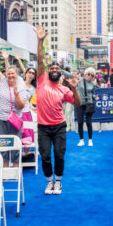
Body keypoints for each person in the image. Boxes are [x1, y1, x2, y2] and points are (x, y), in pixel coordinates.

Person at [34, 25, 81, 195]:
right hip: (43, 127)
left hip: (59, 126)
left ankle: (58, 182)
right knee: (45, 156)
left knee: (59, 155)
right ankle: (49, 182)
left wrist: (74, 89)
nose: (54, 70)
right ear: (48, 72)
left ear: (60, 73)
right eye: (51, 69)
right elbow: (40, 60)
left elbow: (77, 103)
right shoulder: (41, 81)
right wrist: (40, 40)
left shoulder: (64, 89)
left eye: (57, 69)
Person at [0, 42, 29, 142]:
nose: (10, 76)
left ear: (17, 74)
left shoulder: (21, 85)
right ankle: (4, 158)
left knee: (15, 145)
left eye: (13, 74)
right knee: (2, 144)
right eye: (8, 74)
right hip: (0, 118)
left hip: (14, 119)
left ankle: (14, 158)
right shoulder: (2, 80)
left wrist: (16, 95)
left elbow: (20, 106)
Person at [76, 68, 98, 146]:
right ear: (85, 74)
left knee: (89, 122)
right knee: (80, 122)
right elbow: (69, 75)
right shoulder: (79, 81)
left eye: (92, 75)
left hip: (89, 104)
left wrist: (94, 97)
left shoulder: (93, 84)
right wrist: (61, 70)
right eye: (88, 74)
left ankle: (90, 139)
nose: (90, 76)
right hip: (80, 104)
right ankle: (81, 140)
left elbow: (93, 93)